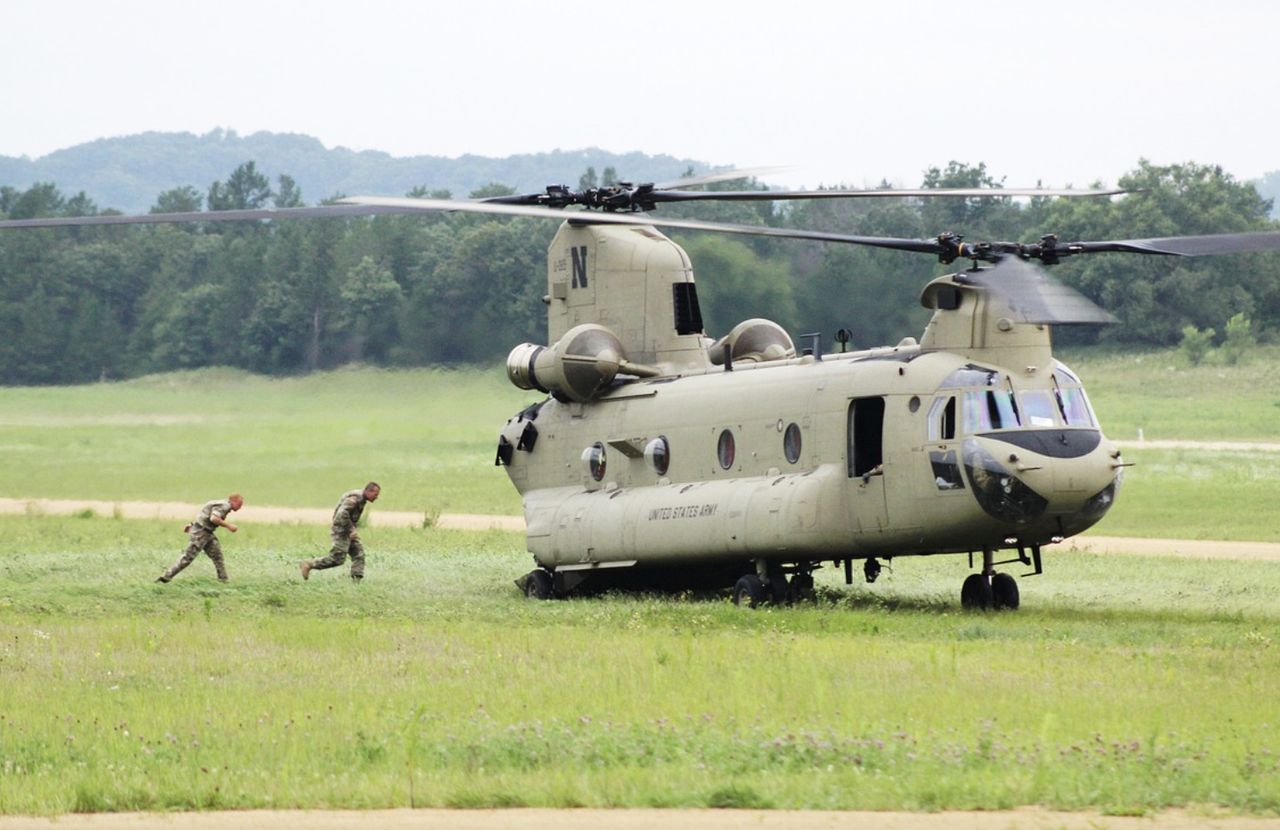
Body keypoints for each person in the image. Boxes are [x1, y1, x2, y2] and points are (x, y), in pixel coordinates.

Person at [300, 482, 380, 582]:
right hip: (341, 531)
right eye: (375, 494)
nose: (377, 497)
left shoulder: (362, 499)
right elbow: (341, 514)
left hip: (348, 531)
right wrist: (351, 530)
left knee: (359, 554)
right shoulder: (354, 499)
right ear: (369, 491)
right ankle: (310, 564)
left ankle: (356, 583)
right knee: (337, 559)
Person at [157, 493, 243, 583]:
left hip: (207, 533)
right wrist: (229, 526)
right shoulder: (225, 506)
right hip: (201, 533)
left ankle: (223, 580)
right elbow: (213, 518)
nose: (240, 507)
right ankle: (165, 577)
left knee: (218, 555)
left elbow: (205, 513)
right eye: (239, 504)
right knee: (188, 557)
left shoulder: (220, 503)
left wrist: (193, 524)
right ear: (233, 501)